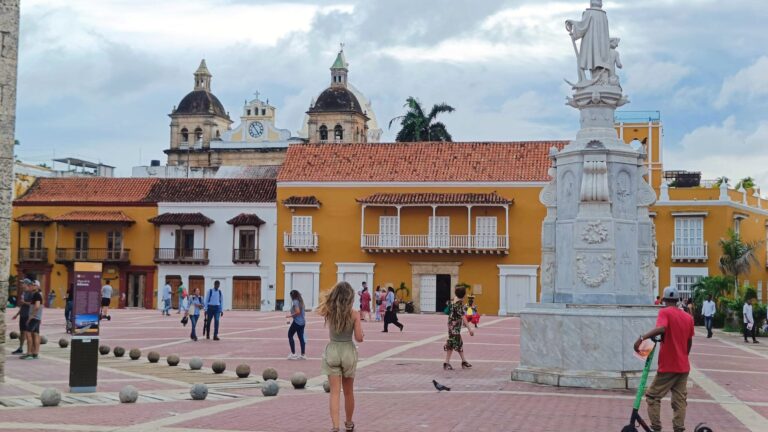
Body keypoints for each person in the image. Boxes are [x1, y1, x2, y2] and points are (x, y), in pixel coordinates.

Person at [634, 286, 694, 432]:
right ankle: (679, 429)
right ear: (678, 299)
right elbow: (689, 341)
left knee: (653, 396)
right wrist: (684, 355)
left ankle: (656, 428)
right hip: (683, 366)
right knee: (679, 401)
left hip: (668, 366)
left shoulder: (664, 312)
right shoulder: (688, 317)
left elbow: (661, 328)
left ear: (664, 300)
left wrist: (642, 338)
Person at [317, 282, 364, 432]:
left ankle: (335, 427)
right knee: (349, 392)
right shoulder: (354, 313)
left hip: (333, 351)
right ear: (350, 297)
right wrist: (362, 333)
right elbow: (359, 338)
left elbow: (320, 306)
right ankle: (349, 423)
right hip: (348, 352)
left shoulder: (329, 311)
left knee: (334, 393)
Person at [444, 285, 474, 370]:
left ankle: (463, 361)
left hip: (451, 325)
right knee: (453, 343)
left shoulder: (454, 300)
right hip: (454, 327)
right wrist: (469, 329)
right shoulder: (458, 304)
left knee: (457, 342)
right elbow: (463, 317)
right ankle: (447, 362)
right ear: (464, 295)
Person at [22, 281, 44, 360]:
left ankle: (29, 353)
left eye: (32, 285)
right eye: (30, 285)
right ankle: (35, 353)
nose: (30, 286)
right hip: (37, 318)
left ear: (37, 286)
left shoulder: (37, 295)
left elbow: (37, 306)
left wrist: (31, 316)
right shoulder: (37, 295)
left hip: (34, 318)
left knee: (28, 334)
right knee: (36, 334)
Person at [11, 278, 32, 354]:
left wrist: (24, 302)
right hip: (22, 315)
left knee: (27, 333)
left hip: (27, 315)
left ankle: (29, 351)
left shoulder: (30, 293)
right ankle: (20, 348)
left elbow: (32, 304)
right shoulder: (23, 293)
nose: (21, 284)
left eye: (23, 283)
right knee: (22, 332)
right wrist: (16, 314)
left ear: (27, 284)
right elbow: (22, 305)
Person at [286, 290, 307, 360]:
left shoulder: (295, 301)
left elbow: (298, 312)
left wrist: (290, 316)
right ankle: (303, 354)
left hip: (297, 322)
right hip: (302, 322)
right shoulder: (301, 301)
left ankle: (293, 354)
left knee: (290, 335)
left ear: (292, 296)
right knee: (301, 338)